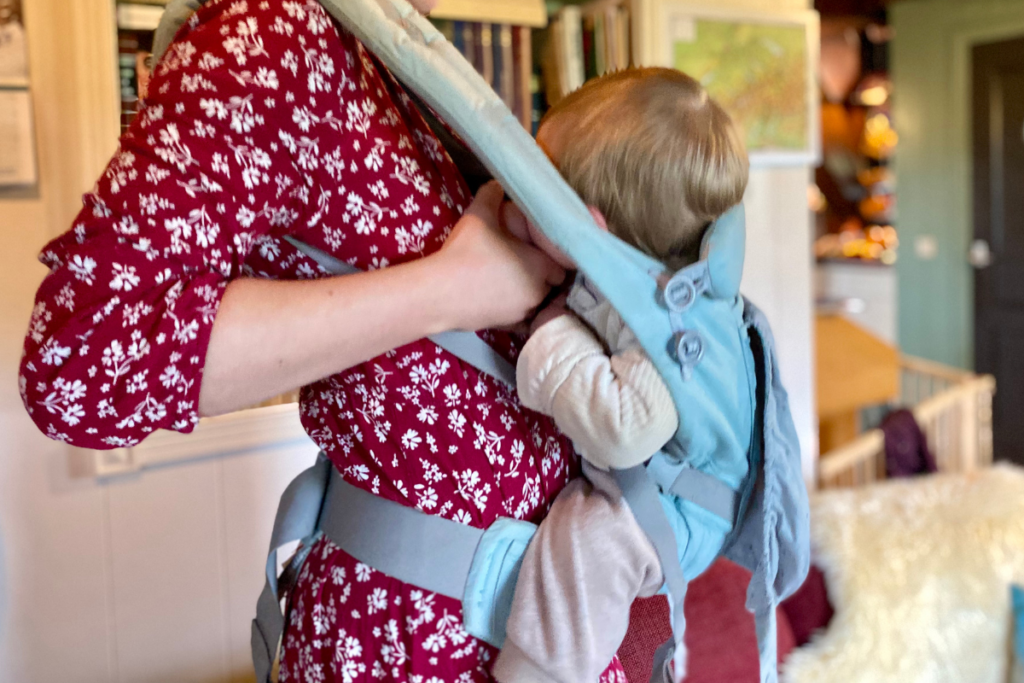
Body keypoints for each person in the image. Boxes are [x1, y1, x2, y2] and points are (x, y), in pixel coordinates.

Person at [18, 0, 632, 681]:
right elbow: (84, 360)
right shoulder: (278, 32)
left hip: (530, 625)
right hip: (416, 648)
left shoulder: (390, 50)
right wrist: (447, 290)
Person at [492, 69, 750, 683]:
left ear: (588, 226)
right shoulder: (641, 272)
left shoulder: (664, 318)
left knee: (589, 540)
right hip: (667, 488)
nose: (522, 203)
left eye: (537, 195)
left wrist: (553, 335)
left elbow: (628, 427)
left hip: (685, 509)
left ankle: (541, 673)